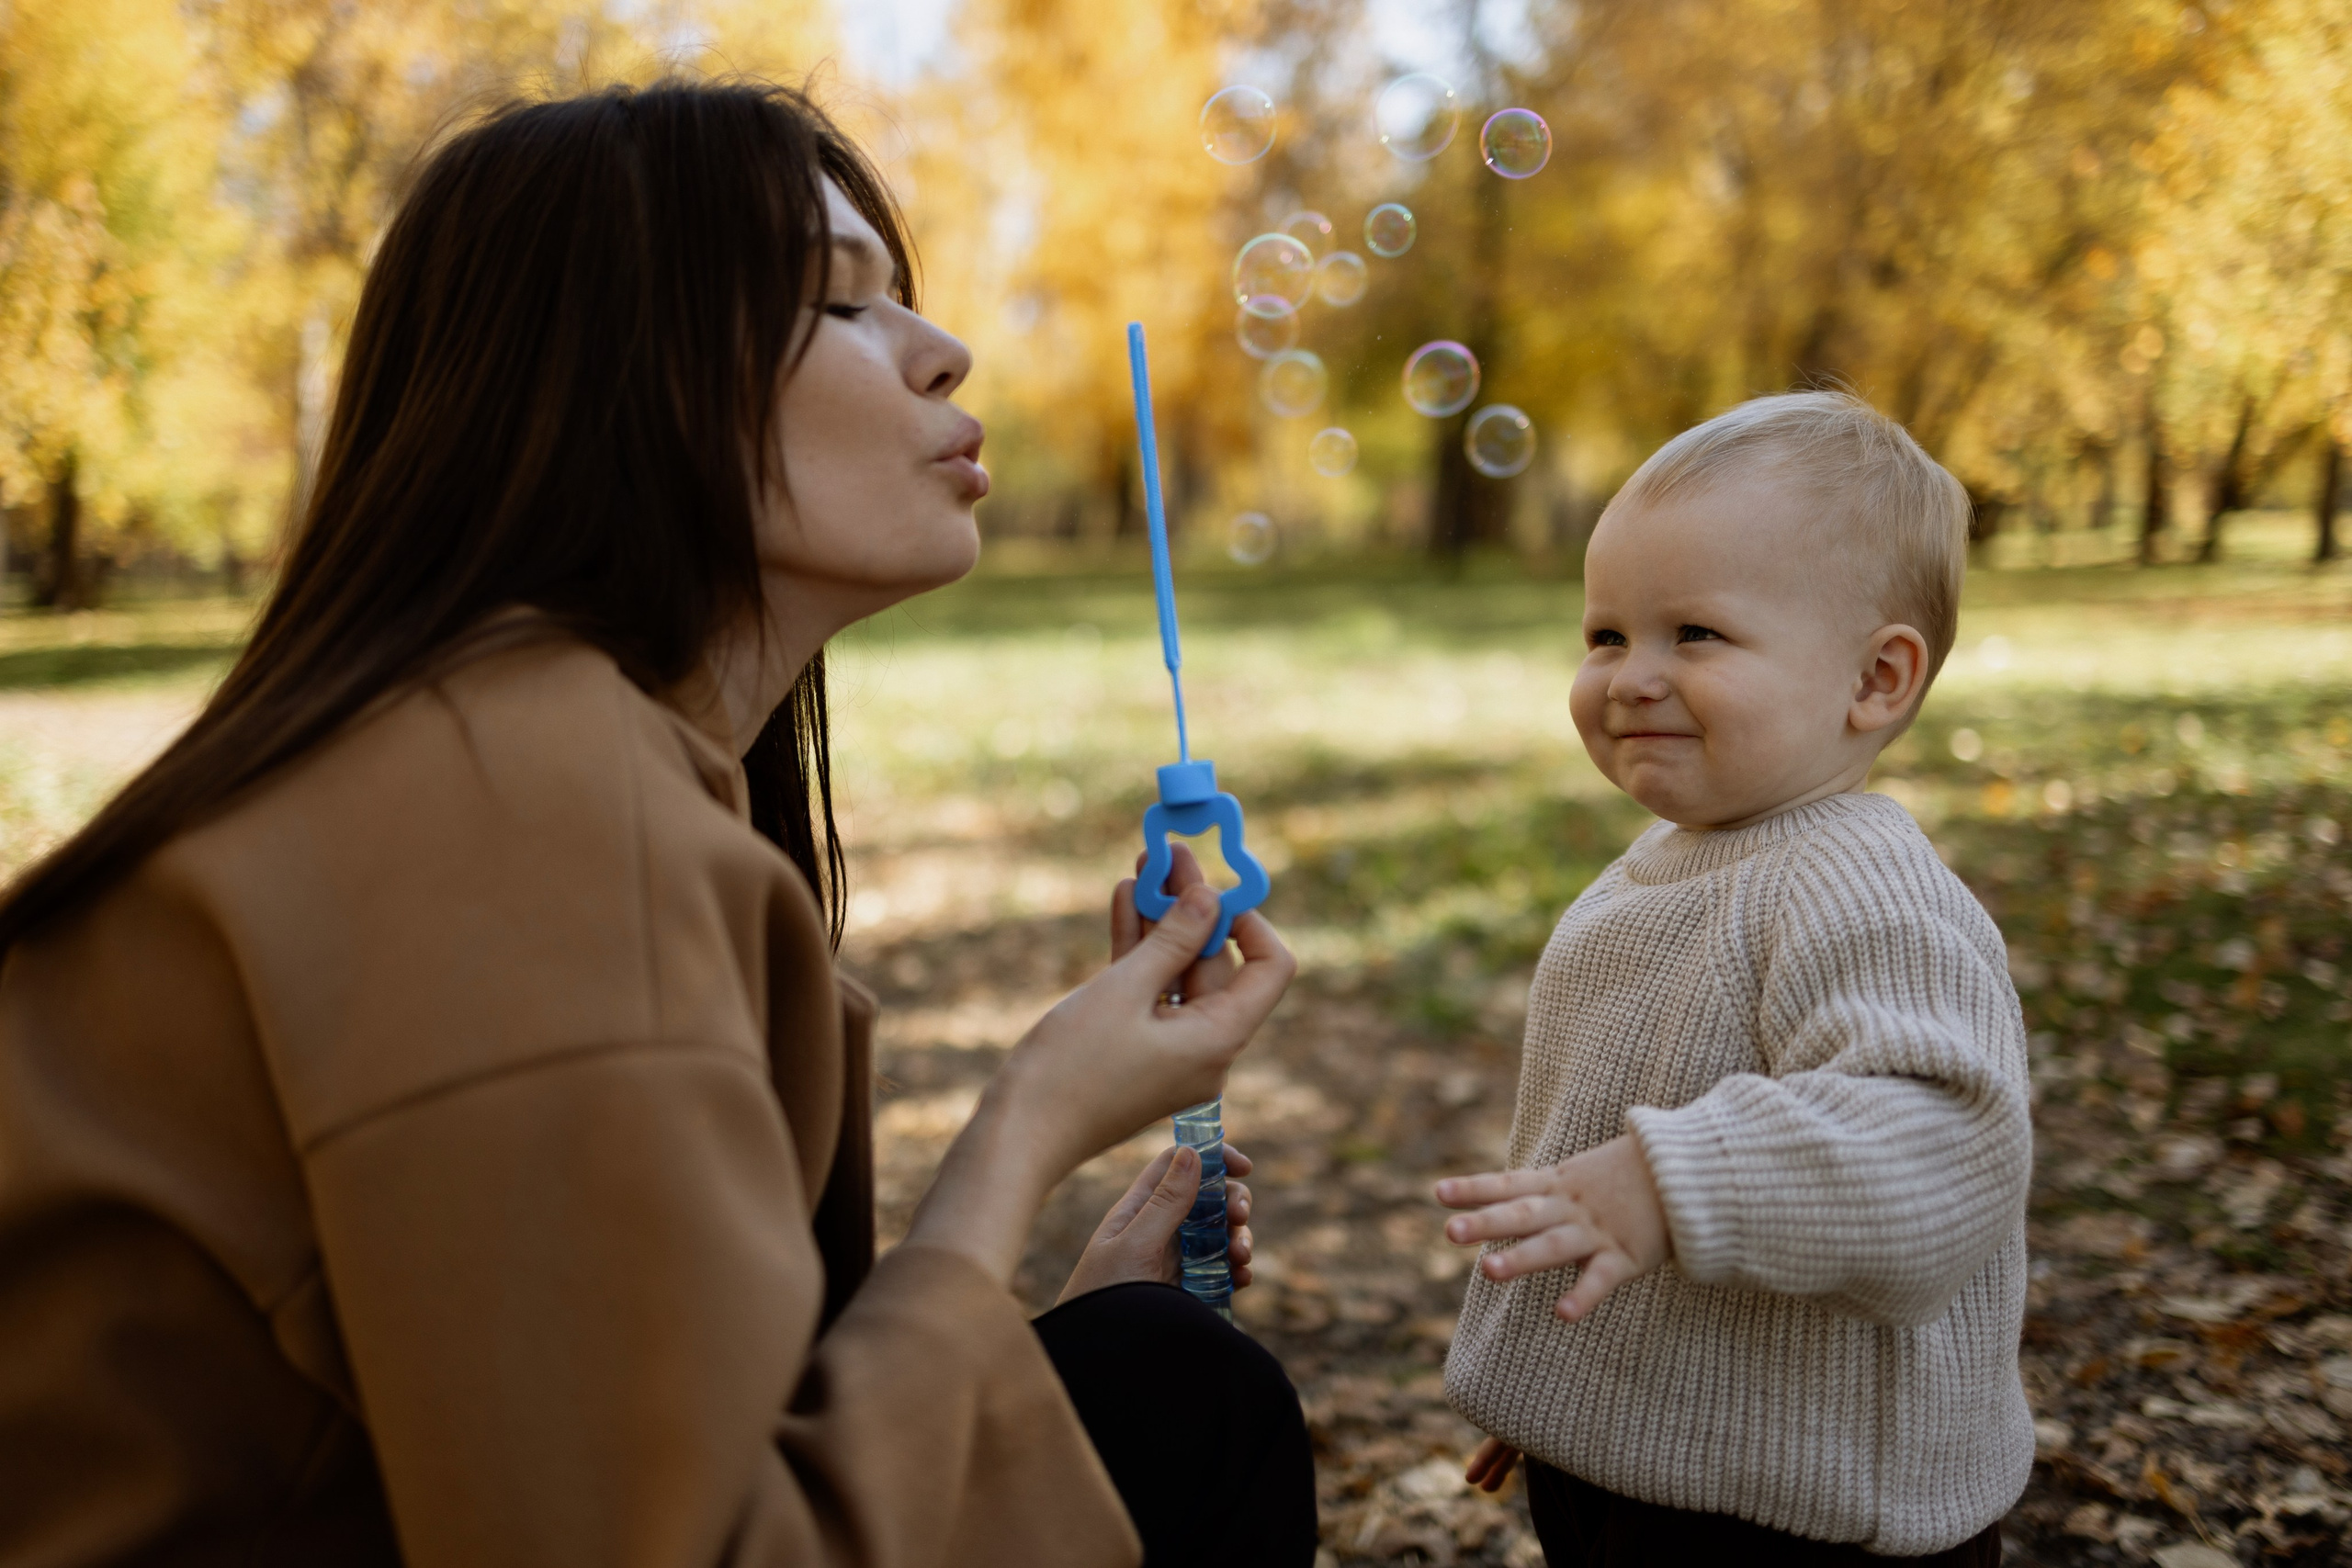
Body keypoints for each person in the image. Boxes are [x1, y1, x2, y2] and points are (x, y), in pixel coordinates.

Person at [0, 81, 1317, 1568]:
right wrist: (1025, 1127)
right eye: (837, 304)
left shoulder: (500, 750)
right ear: (604, 379)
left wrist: (1006, 1322)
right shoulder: (511, 813)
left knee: (1148, 1373)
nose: (942, 352)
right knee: (1179, 1398)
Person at [1434, 392, 2031, 1566]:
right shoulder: (1667, 865)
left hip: (1801, 1511)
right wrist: (1560, 1397)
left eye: (1693, 636)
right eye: (1606, 635)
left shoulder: (1860, 887)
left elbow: (1942, 1151)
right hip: (1656, 1463)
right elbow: (1600, 1145)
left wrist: (1673, 1182)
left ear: (1875, 679)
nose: (1630, 677)